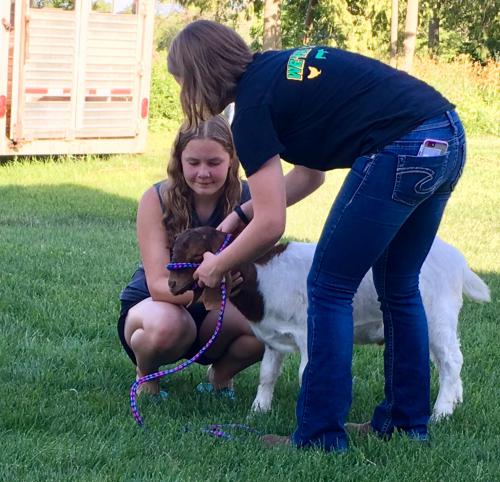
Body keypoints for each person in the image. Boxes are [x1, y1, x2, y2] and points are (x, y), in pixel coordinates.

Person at [167, 20, 467, 452]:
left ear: (197, 76)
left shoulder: (250, 110)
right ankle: (405, 423)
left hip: (401, 146)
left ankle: (319, 435)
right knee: (398, 286)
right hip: (445, 135)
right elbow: (310, 176)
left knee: (328, 287)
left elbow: (272, 226)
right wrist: (238, 215)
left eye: (181, 81)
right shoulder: (273, 74)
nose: (183, 92)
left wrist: (216, 264)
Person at [117, 115, 264, 398]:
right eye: (193, 162)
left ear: (232, 159)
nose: (203, 173)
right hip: (158, 304)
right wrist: (211, 291)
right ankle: (147, 374)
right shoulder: (156, 198)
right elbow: (159, 285)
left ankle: (220, 376)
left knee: (267, 323)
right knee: (168, 326)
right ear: (179, 160)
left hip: (220, 307)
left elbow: (258, 275)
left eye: (214, 163)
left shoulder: (248, 198)